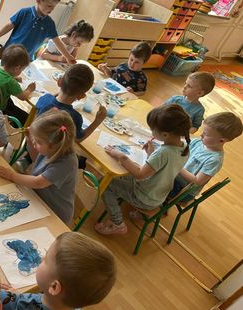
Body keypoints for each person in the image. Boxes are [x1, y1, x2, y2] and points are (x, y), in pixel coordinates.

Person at [0, 230, 116, 310]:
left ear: (55, 287)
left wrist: (14, 297)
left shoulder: (14, 305)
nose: (41, 258)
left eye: (46, 260)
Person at [95, 104, 191, 235]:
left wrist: (121, 156)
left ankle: (117, 223)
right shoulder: (184, 147)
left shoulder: (163, 153)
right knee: (120, 174)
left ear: (165, 134)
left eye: (152, 130)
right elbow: (162, 169)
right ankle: (118, 197)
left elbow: (140, 174)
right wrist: (151, 154)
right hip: (156, 195)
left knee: (105, 184)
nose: (151, 133)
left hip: (144, 197)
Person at [0, 110, 78, 224]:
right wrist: (30, 141)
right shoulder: (52, 150)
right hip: (38, 201)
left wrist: (12, 176)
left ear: (54, 145)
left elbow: (38, 182)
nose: (35, 143)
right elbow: (36, 160)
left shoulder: (67, 163)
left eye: (38, 142)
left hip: (55, 214)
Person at [0, 0, 76, 63]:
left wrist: (68, 56)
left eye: (54, 7)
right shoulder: (24, 12)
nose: (52, 9)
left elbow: (57, 41)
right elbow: (9, 26)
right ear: (38, 0)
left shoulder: (49, 23)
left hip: (25, 60)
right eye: (49, 6)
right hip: (9, 54)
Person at [171, 112, 242, 201]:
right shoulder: (198, 142)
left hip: (183, 191)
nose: (201, 135)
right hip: (175, 177)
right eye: (202, 132)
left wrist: (178, 167)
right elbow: (177, 146)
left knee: (157, 177)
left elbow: (197, 181)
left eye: (206, 134)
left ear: (221, 140)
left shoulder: (214, 160)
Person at [35, 63, 107, 142]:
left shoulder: (45, 99)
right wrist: (98, 121)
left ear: (59, 82)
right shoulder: (74, 117)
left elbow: (53, 101)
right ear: (81, 96)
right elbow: (78, 140)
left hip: (32, 143)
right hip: (51, 150)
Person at [0, 44, 34, 124]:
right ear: (17, 68)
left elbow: (1, 76)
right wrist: (29, 89)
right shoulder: (10, 82)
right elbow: (23, 97)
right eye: (22, 69)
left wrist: (14, 77)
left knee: (12, 105)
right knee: (27, 119)